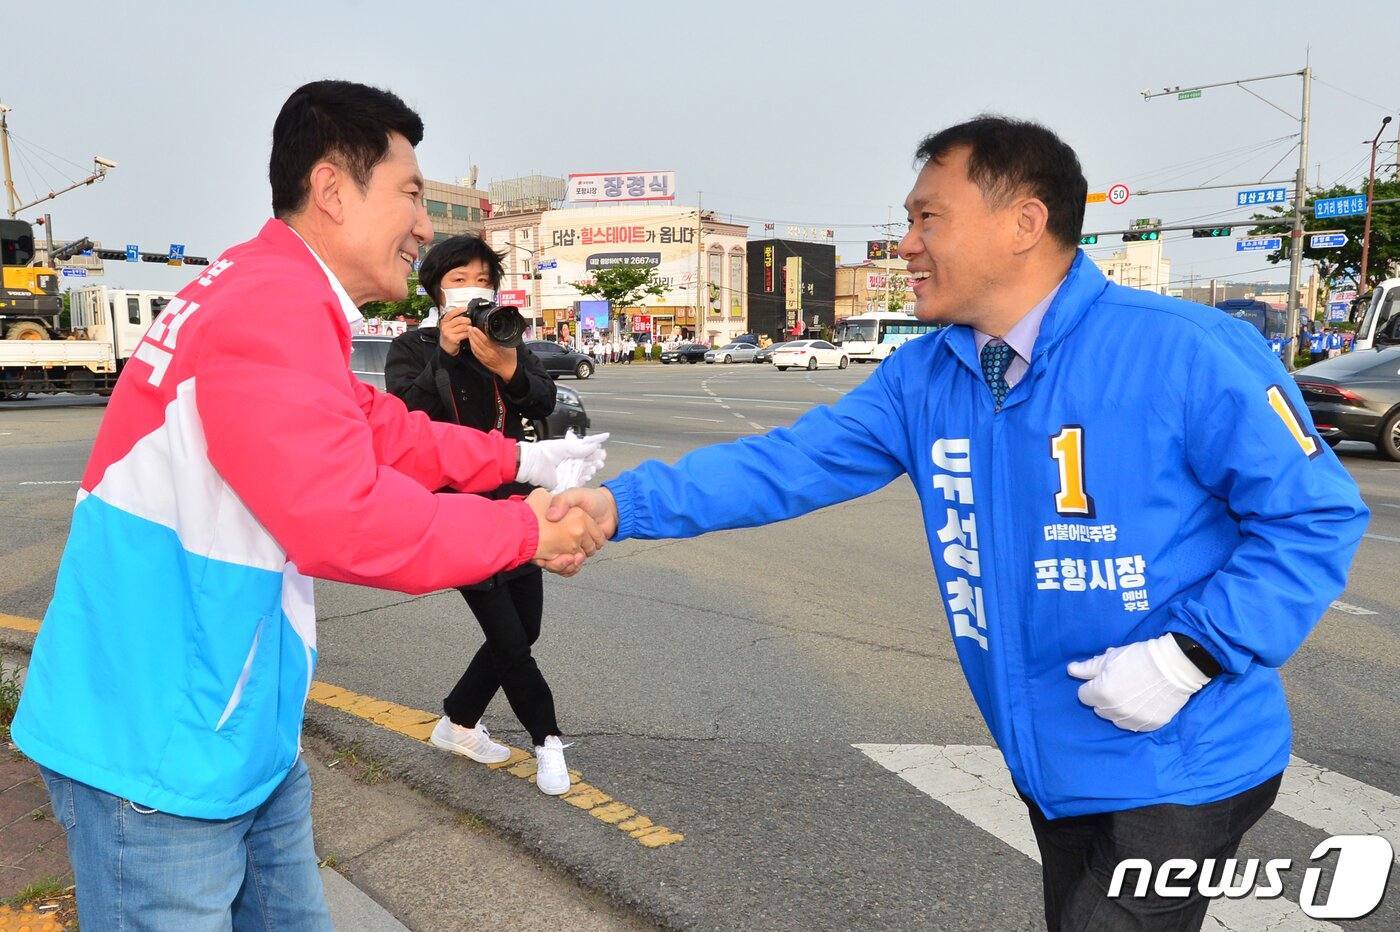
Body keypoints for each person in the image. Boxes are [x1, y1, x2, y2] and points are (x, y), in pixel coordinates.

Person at [549, 117, 1369, 932]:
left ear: (1025, 222)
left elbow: (1315, 517)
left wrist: (1193, 654)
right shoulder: (926, 373)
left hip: (1180, 761)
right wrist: (621, 507)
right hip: (1051, 759)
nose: (903, 243)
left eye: (926, 217)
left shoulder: (1185, 349)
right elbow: (789, 464)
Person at [11, 80, 608, 930]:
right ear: (333, 190)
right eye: (409, 193)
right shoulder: (268, 305)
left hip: (238, 730)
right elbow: (343, 517)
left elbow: (379, 430)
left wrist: (524, 457)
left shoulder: (270, 290)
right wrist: (527, 526)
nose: (424, 226)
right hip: (157, 754)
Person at [385, 234, 595, 794]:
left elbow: (545, 401)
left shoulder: (504, 338)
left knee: (526, 626)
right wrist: (446, 356)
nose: (471, 288)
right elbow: (408, 422)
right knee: (510, 639)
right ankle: (547, 740)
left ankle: (458, 722)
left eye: (481, 278)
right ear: (435, 289)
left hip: (517, 504)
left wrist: (505, 366)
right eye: (458, 279)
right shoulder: (412, 346)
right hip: (454, 513)